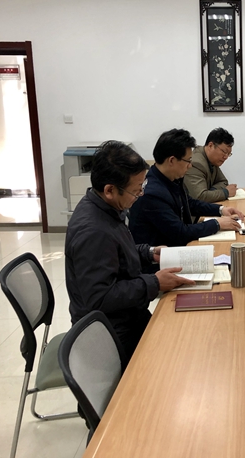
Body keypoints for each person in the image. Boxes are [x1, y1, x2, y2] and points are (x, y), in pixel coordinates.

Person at [65, 141, 194, 362]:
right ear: (109, 190)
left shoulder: (104, 208)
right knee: (179, 353)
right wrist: (154, 282)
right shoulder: (93, 230)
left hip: (127, 316)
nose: (141, 194)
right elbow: (100, 298)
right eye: (136, 190)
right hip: (111, 334)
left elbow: (113, 253)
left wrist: (148, 252)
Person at [129, 128, 245, 258]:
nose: (190, 166)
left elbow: (189, 203)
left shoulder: (171, 178)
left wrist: (220, 209)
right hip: (160, 261)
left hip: (176, 249)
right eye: (188, 161)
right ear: (172, 160)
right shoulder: (153, 194)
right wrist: (217, 224)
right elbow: (180, 232)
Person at [184, 127, 236, 202]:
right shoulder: (195, 163)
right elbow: (200, 196)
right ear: (210, 145)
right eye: (224, 152)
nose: (226, 157)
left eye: (228, 154)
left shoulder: (213, 161)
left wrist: (211, 192)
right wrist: (226, 193)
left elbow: (223, 182)